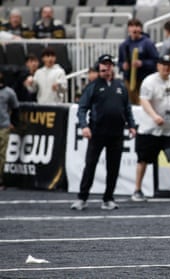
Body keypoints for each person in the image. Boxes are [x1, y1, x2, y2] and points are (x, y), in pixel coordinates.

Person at [71, 54, 137, 210]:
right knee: (90, 165)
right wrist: (84, 125)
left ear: (112, 67)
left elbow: (127, 108)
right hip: (97, 132)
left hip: (116, 133)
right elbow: (82, 108)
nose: (106, 68)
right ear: (99, 66)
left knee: (113, 167)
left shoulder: (120, 86)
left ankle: (108, 198)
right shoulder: (93, 86)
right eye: (103, 65)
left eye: (109, 65)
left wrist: (132, 125)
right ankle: (82, 197)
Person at [132, 55, 170, 203]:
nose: (166, 67)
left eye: (168, 65)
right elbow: (144, 100)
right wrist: (154, 116)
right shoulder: (149, 81)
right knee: (143, 159)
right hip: (150, 128)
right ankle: (137, 189)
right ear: (158, 66)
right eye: (163, 64)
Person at [118, 18, 159, 105]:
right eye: (132, 26)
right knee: (131, 105)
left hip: (145, 80)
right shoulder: (124, 45)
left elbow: (156, 61)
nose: (134, 29)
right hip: (129, 80)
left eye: (137, 26)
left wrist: (142, 63)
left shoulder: (148, 43)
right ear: (128, 29)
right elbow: (119, 62)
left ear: (141, 29)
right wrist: (123, 66)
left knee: (144, 104)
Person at [0, 71, 20, 191]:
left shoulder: (9, 92)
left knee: (1, 154)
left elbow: (16, 108)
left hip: (3, 126)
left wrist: (14, 123)